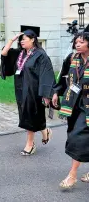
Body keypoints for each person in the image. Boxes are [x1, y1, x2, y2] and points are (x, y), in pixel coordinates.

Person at [0, 25, 55, 155]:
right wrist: (11, 40)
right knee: (29, 115)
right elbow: (4, 54)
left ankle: (30, 144)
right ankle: (45, 131)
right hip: (21, 88)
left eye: (24, 39)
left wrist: (46, 94)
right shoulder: (21, 53)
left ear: (33, 39)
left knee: (29, 116)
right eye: (21, 40)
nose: (22, 41)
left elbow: (47, 74)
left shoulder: (41, 55)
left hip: (34, 91)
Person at [52, 31, 89, 189]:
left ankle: (72, 175)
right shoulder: (72, 59)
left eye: (81, 41)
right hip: (74, 104)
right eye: (76, 42)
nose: (77, 44)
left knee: (78, 137)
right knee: (79, 135)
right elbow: (63, 78)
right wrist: (55, 92)